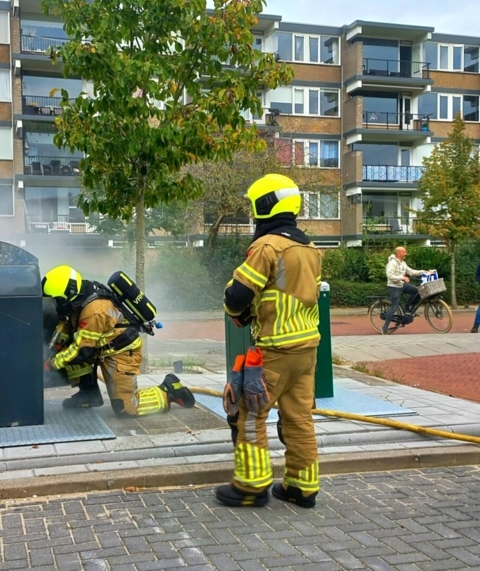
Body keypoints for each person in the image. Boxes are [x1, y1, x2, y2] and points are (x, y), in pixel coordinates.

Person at [219, 173, 322, 508]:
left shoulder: (267, 247)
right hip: (307, 349)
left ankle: (251, 486)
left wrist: (237, 306)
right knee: (298, 416)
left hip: (276, 348)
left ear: (265, 205)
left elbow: (237, 297)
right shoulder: (310, 248)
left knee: (247, 411)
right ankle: (302, 487)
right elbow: (285, 291)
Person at [42, 265, 194, 418]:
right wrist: (55, 346)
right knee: (69, 354)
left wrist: (52, 364)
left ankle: (169, 390)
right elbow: (68, 325)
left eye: (57, 300)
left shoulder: (94, 311)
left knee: (126, 408)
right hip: (102, 347)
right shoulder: (80, 296)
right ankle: (89, 394)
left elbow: (82, 349)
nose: (55, 304)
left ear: (69, 293)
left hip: (122, 353)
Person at [382, 246, 435, 334]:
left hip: (401, 285)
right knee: (394, 306)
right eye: (404, 252)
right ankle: (385, 327)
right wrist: (402, 277)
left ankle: (407, 308)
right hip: (394, 287)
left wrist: (425, 272)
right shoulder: (392, 263)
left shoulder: (403, 263)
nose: (406, 254)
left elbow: (411, 272)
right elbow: (389, 276)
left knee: (417, 290)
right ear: (399, 254)